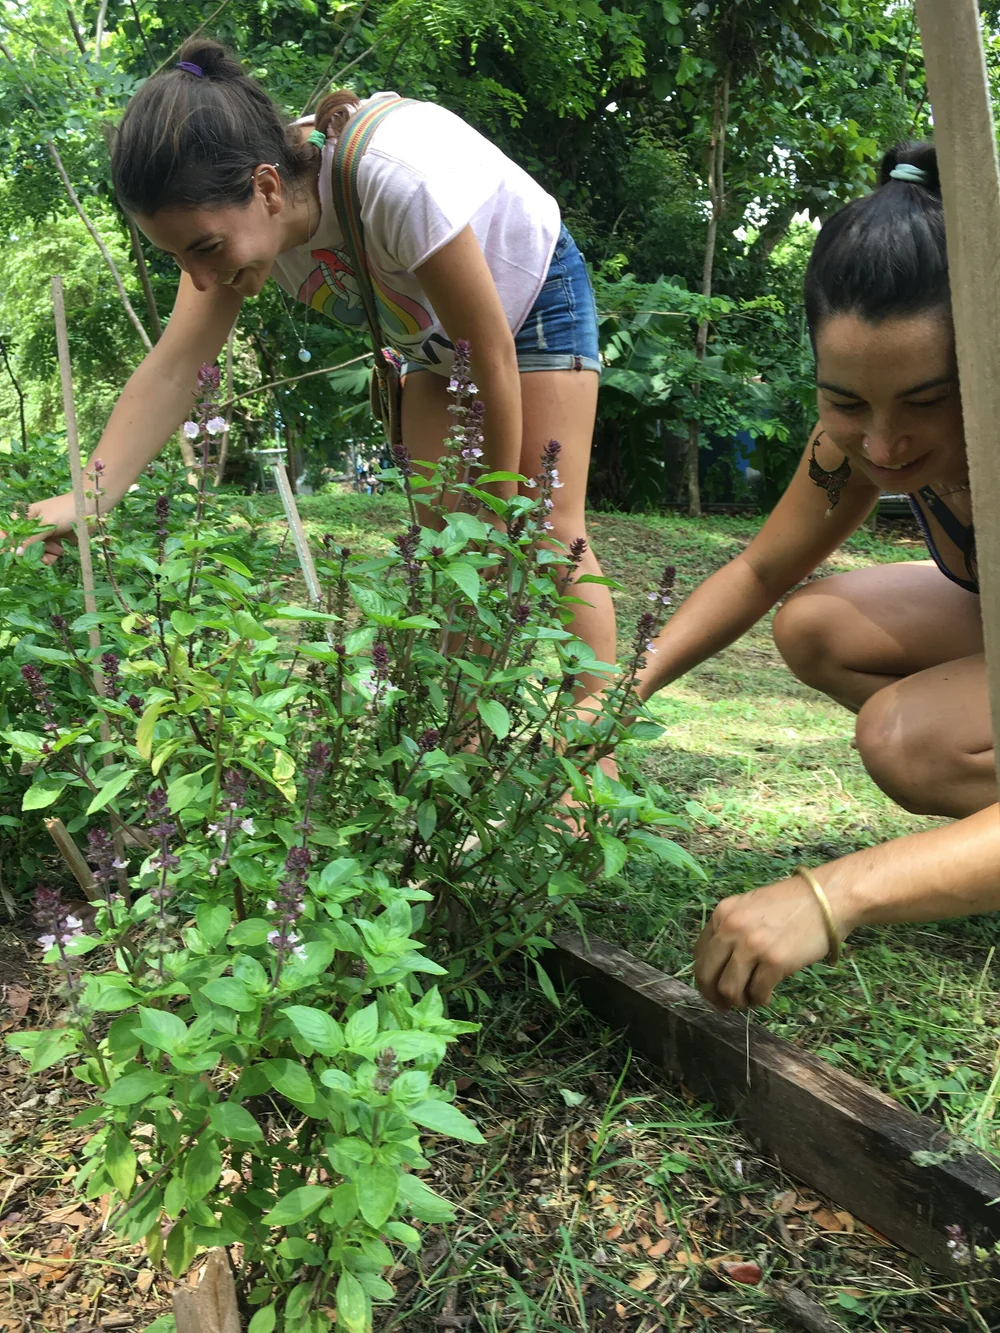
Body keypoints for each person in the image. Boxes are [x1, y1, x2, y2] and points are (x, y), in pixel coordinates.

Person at [22, 39, 614, 674]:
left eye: (205, 249)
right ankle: (459, 726)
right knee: (447, 546)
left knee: (543, 525)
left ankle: (597, 720)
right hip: (437, 345)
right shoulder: (231, 226)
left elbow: (490, 356)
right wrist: (88, 496)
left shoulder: (392, 178)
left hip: (528, 305)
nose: (199, 279)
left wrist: (497, 512)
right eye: (177, 258)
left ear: (267, 187)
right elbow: (173, 368)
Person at [633, 141, 996, 1011]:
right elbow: (760, 569)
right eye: (846, 401)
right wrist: (607, 702)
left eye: (924, 401)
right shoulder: (853, 446)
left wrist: (834, 894)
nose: (882, 444)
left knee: (905, 737)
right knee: (814, 624)